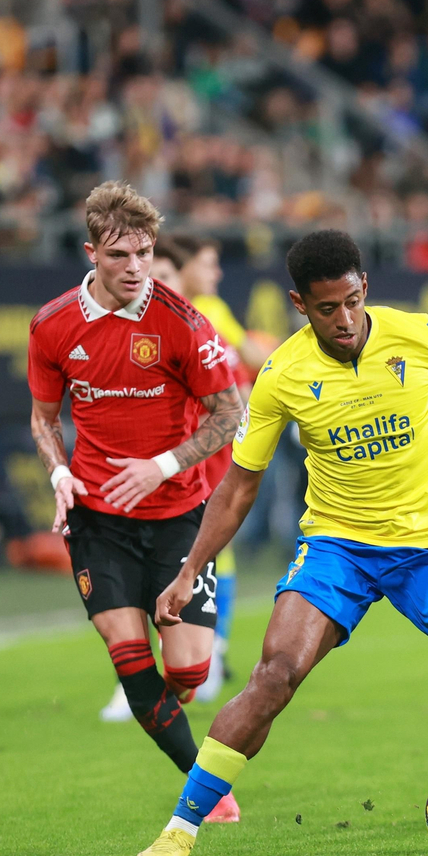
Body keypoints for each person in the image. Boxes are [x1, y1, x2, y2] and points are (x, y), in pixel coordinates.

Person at [135, 229, 428, 856]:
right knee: (274, 674)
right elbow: (238, 488)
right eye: (326, 309)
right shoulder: (283, 375)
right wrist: (189, 571)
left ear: (364, 288)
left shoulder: (421, 336)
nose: (343, 320)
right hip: (337, 548)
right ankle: (180, 829)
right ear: (300, 304)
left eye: (351, 302)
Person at [27, 181, 246, 822]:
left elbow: (227, 415)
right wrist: (59, 472)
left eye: (145, 253)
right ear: (91, 252)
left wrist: (163, 464)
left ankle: (170, 710)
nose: (135, 268)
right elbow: (43, 419)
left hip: (180, 515)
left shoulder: (183, 323)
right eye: (121, 255)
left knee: (189, 675)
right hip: (98, 517)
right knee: (128, 657)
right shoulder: (52, 324)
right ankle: (209, 790)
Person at [170, 233, 270, 703]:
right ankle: (187, 659)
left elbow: (249, 359)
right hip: (179, 443)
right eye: (207, 263)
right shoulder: (168, 313)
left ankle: (212, 652)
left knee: (215, 543)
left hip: (215, 444)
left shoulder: (212, 307)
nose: (216, 272)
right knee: (186, 547)